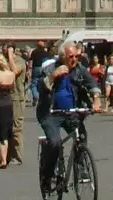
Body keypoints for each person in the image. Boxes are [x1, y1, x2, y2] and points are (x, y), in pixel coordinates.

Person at [37, 43, 98, 200]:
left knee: (81, 137)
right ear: (62, 57)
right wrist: (53, 76)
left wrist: (96, 99)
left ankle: (81, 167)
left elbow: (92, 84)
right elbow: (40, 87)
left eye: (76, 56)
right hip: (51, 114)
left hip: (72, 112)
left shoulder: (79, 69)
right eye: (71, 57)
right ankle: (48, 175)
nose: (74, 60)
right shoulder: (50, 68)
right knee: (55, 143)